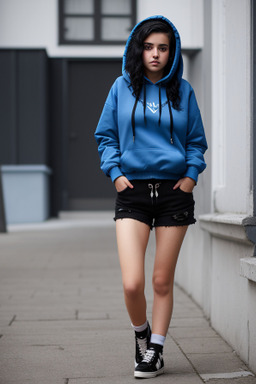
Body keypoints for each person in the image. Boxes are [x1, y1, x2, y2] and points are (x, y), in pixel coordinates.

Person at [95, 15, 207, 379]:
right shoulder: (120, 87)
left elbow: (195, 142)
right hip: (134, 192)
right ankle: (141, 335)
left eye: (163, 48)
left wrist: (191, 176)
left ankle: (155, 349)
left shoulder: (184, 90)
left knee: (161, 280)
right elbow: (106, 136)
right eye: (148, 47)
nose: (155, 54)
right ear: (137, 49)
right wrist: (116, 174)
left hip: (175, 193)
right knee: (132, 283)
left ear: (171, 52)